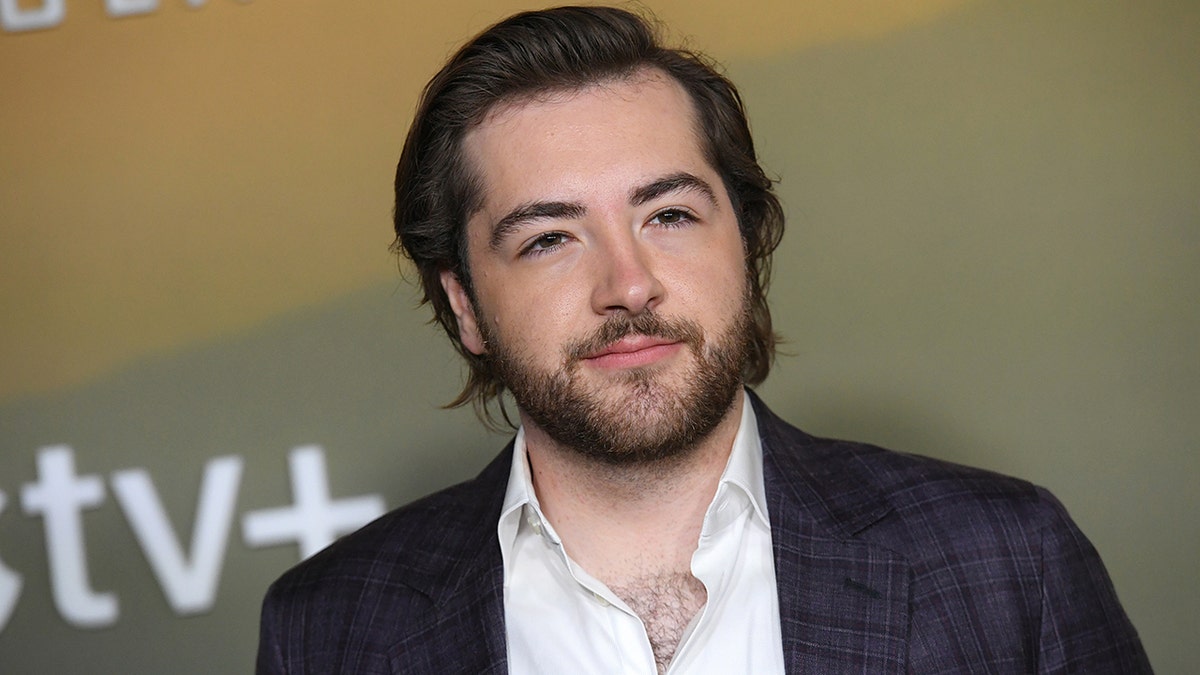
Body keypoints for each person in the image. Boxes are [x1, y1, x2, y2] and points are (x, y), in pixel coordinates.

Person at [256, 6, 1150, 673]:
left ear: (747, 245)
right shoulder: (331, 629)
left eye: (671, 213)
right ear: (465, 306)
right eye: (549, 239)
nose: (629, 283)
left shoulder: (1003, 562)